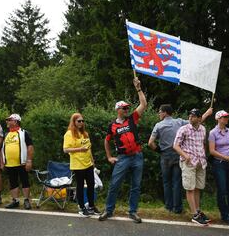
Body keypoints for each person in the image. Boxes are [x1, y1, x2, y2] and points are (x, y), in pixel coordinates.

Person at [99, 76, 147, 223]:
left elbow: (143, 104)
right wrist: (109, 157)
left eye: (127, 108)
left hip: (137, 156)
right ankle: (109, 210)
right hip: (123, 158)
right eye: (124, 108)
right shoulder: (112, 126)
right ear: (118, 110)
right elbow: (106, 142)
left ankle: (132, 212)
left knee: (136, 186)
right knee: (115, 184)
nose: (127, 109)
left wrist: (138, 88)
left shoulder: (132, 118)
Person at [148, 104, 212, 214]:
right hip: (179, 154)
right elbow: (196, 122)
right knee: (177, 182)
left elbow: (150, 143)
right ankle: (177, 208)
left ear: (165, 112)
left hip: (166, 155)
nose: (159, 114)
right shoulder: (179, 122)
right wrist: (207, 113)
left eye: (159, 112)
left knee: (167, 182)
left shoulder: (158, 125)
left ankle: (168, 207)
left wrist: (159, 151)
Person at [173, 108, 210, 226]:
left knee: (198, 187)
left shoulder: (203, 129)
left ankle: (198, 211)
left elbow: (202, 144)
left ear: (199, 118)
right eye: (190, 115)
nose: (190, 117)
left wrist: (203, 156)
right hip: (188, 162)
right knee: (190, 188)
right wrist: (185, 156)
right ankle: (194, 215)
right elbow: (175, 146)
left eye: (193, 116)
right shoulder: (183, 129)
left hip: (200, 162)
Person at [63, 113, 100, 216]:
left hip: (88, 163)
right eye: (79, 121)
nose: (81, 123)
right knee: (80, 185)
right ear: (74, 122)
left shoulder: (85, 133)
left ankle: (91, 206)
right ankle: (81, 207)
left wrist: (92, 161)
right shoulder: (69, 134)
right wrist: (80, 149)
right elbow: (65, 149)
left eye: (82, 121)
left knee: (91, 185)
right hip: (78, 164)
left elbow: (89, 148)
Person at [0, 114, 34, 209]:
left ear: (15, 121)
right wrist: (2, 162)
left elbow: (30, 147)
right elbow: (2, 149)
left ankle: (27, 200)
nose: (7, 121)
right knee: (13, 182)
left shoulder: (24, 133)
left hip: (22, 162)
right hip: (9, 164)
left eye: (9, 120)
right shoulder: (6, 134)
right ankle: (15, 201)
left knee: (25, 181)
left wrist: (29, 160)